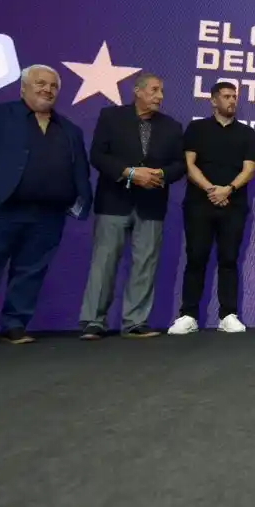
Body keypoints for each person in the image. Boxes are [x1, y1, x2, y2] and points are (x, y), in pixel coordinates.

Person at [0, 65, 92, 344]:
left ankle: (14, 325)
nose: (47, 89)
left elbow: (79, 169)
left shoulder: (70, 129)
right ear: (23, 88)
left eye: (53, 86)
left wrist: (77, 201)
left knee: (31, 272)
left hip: (48, 215)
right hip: (1, 210)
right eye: (40, 83)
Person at [78, 73, 185, 340]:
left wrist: (158, 174)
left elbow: (179, 165)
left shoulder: (172, 126)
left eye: (161, 91)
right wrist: (129, 172)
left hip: (151, 204)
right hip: (114, 201)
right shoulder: (111, 117)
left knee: (145, 264)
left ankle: (135, 321)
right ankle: (94, 321)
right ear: (137, 91)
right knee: (104, 263)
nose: (160, 96)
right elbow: (98, 156)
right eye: (154, 90)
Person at [167, 82, 255, 336]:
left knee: (229, 259)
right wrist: (211, 189)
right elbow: (189, 164)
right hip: (199, 205)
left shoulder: (246, 133)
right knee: (196, 258)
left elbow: (249, 168)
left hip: (233, 205)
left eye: (234, 97)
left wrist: (227, 189)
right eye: (226, 96)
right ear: (213, 100)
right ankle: (188, 315)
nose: (232, 101)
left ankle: (228, 314)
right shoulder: (197, 128)